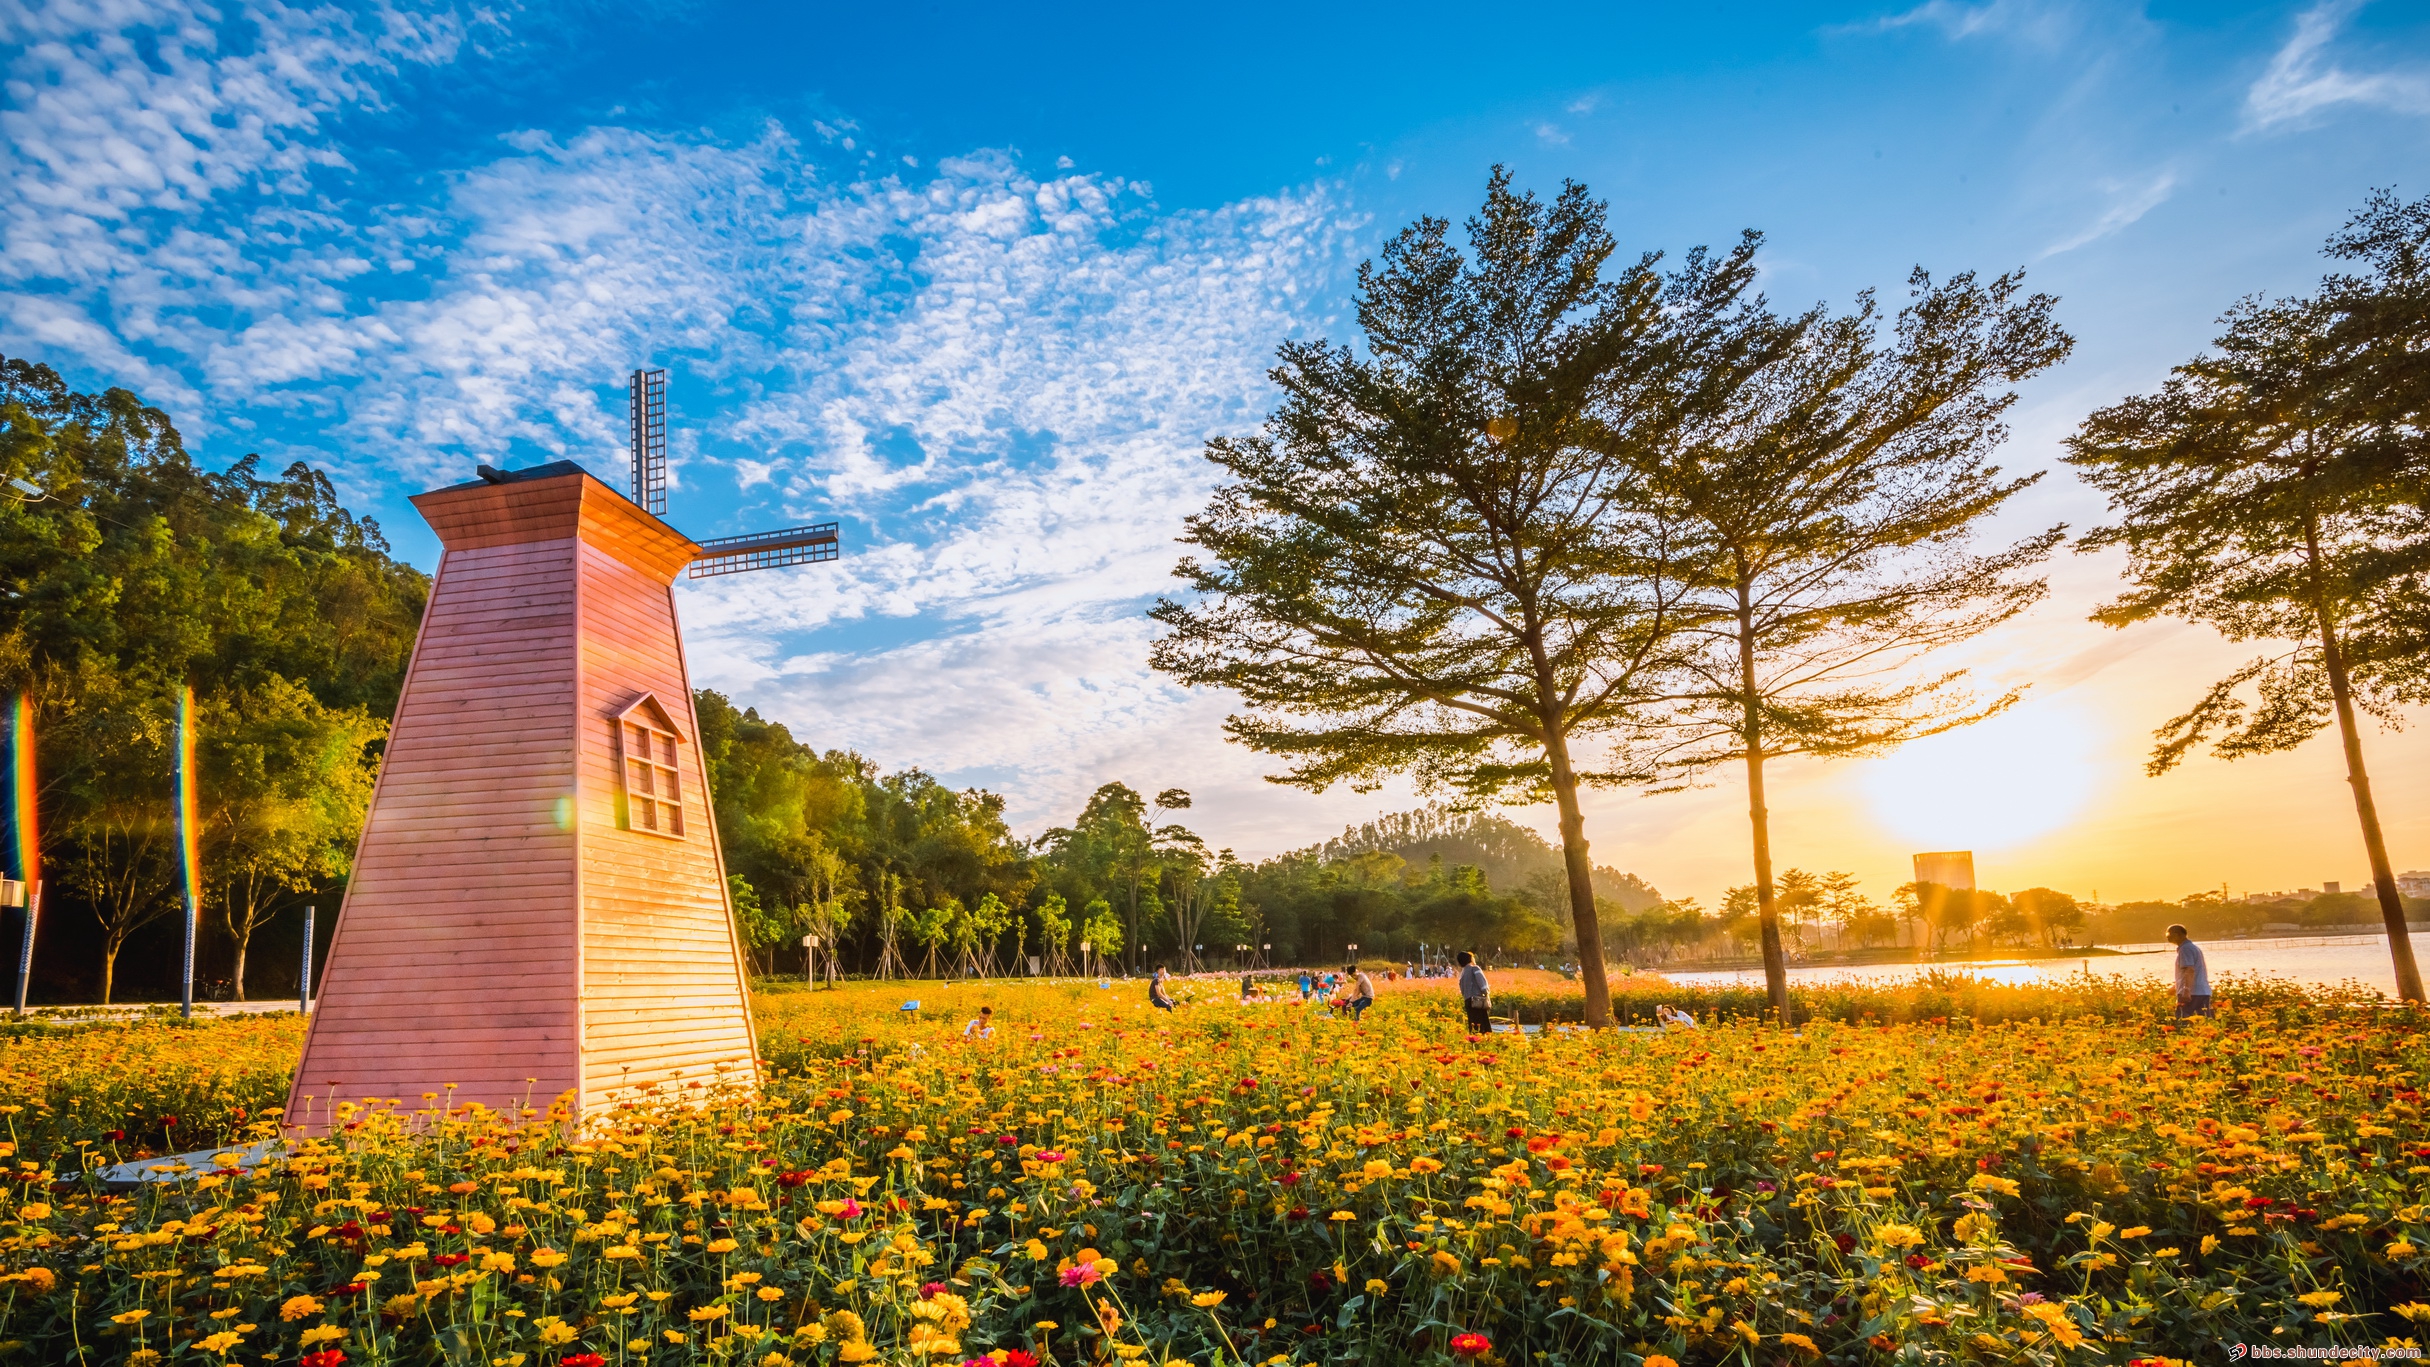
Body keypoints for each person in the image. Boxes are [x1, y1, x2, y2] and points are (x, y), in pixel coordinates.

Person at [2167, 924, 2212, 1018]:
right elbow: (2190, 971)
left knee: (2183, 1019)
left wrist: (2186, 990)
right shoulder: (2192, 948)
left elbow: (2189, 970)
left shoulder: (2185, 949)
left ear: (2177, 934)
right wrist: (2175, 987)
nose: (2167, 937)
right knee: (2204, 1020)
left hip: (2192, 993)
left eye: (2169, 934)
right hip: (2202, 992)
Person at [1456, 950, 1491, 1034]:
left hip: (1468, 1001)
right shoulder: (1475, 968)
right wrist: (1486, 994)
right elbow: (1483, 984)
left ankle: (1474, 1040)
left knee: (1473, 1024)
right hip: (1477, 1001)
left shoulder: (1462, 973)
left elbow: (1462, 989)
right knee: (1482, 1024)